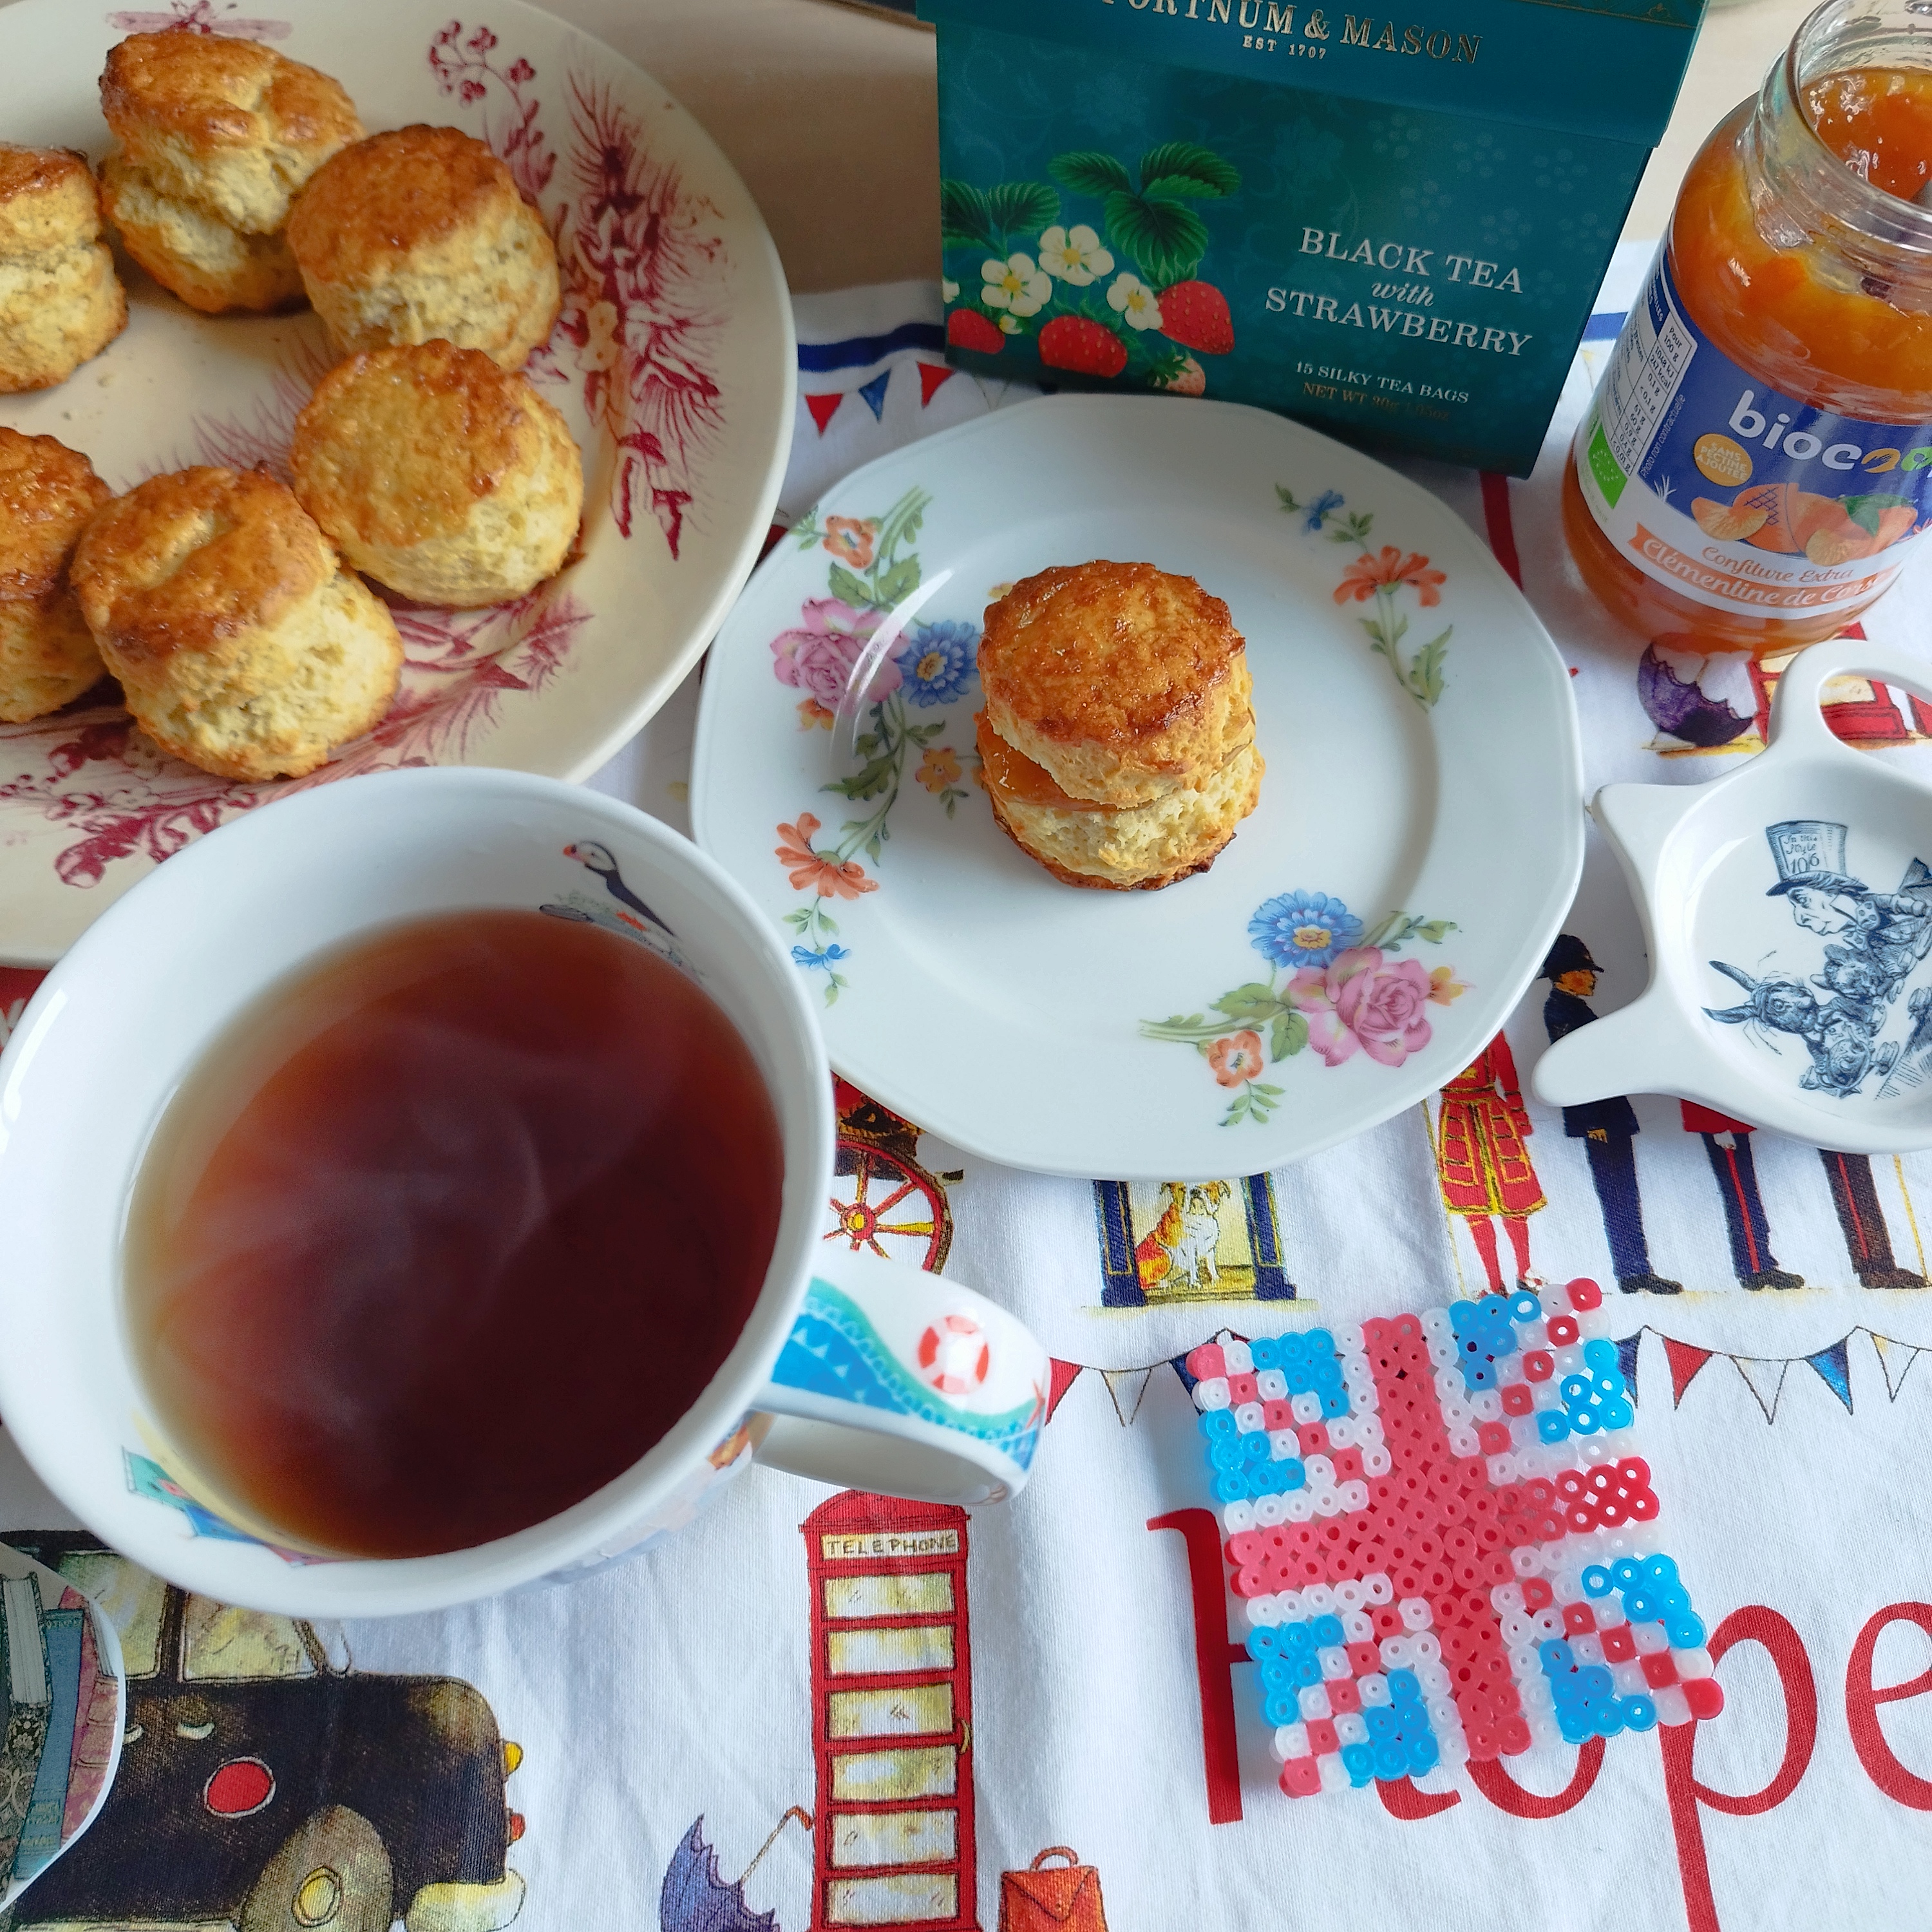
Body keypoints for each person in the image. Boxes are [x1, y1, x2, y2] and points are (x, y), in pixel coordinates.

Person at [1539, 936, 1681, 1294]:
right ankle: (1633, 1271)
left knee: (1624, 1192)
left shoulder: (1574, 1009)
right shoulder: (1561, 1012)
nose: (1592, 979)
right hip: (1599, 1118)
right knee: (1618, 1193)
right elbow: (1572, 1069)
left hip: (1608, 1112)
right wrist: (1592, 1121)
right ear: (1565, 975)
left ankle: (1636, 1269)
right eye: (1585, 972)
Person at [1434, 1030, 1544, 1293]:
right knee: (1473, 1206)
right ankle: (1495, 1285)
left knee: (1514, 1197)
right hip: (1457, 1121)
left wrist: (1517, 1109)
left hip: (1492, 1116)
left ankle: (1524, 1272)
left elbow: (1505, 1064)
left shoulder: (1489, 1025)